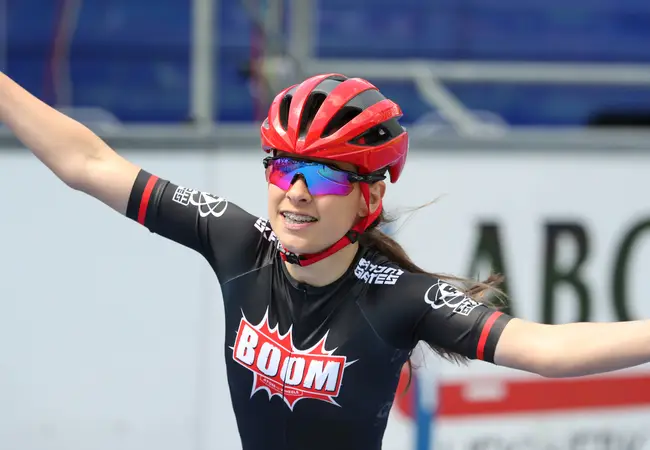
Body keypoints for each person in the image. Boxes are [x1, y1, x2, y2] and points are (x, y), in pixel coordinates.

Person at [2, 70, 650, 450]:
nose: (296, 192)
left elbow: (546, 351)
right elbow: (87, 162)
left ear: (370, 197)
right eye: (283, 166)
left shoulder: (399, 296)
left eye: (325, 175)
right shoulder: (236, 240)